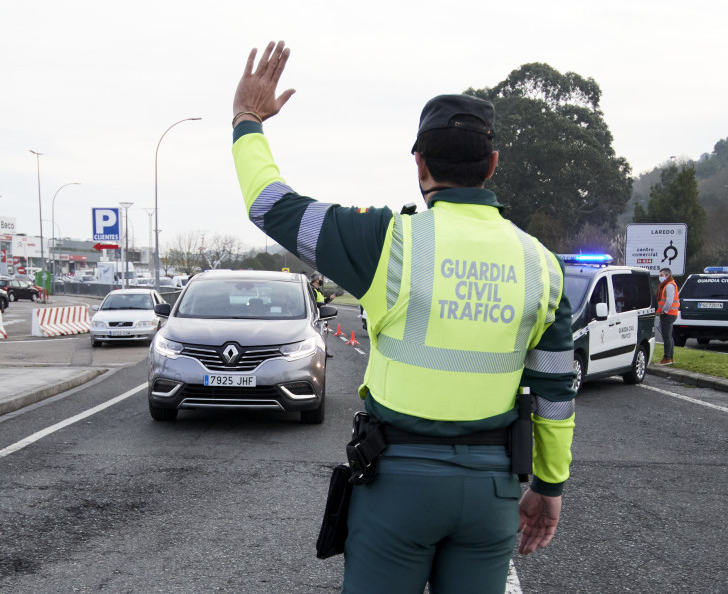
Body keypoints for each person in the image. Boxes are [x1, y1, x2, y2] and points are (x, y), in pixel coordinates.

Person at [231, 41, 575, 593]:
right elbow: (555, 393)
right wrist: (550, 485)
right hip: (492, 491)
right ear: (491, 166)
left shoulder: (385, 242)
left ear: (420, 163)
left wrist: (248, 120)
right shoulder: (543, 265)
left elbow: (269, 204)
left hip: (398, 485)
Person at [656, 267, 680, 365]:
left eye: (661, 275)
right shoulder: (668, 284)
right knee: (669, 336)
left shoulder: (669, 285)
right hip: (670, 313)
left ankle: (667, 358)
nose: (660, 277)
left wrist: (663, 311)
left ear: (667, 275)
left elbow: (669, 301)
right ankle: (670, 357)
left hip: (668, 314)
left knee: (666, 336)